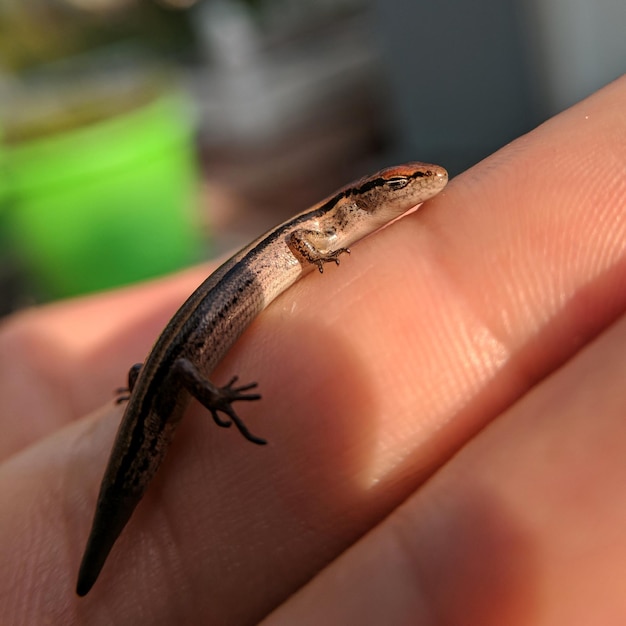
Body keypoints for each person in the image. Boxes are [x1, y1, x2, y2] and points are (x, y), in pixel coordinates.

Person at [1, 74, 625, 624]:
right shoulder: (314, 229)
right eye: (406, 181)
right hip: (184, 367)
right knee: (158, 410)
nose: (424, 182)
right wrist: (213, 397)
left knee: (154, 390)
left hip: (171, 367)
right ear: (363, 198)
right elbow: (301, 249)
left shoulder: (326, 225)